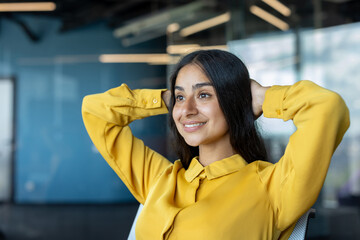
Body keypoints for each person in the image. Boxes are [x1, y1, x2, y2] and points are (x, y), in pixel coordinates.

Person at [82, 50, 350, 239]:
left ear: (233, 101)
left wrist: (261, 97)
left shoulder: (273, 188)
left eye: (204, 94)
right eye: (180, 97)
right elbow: (96, 111)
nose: (186, 109)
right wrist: (164, 99)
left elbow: (326, 107)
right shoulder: (159, 180)